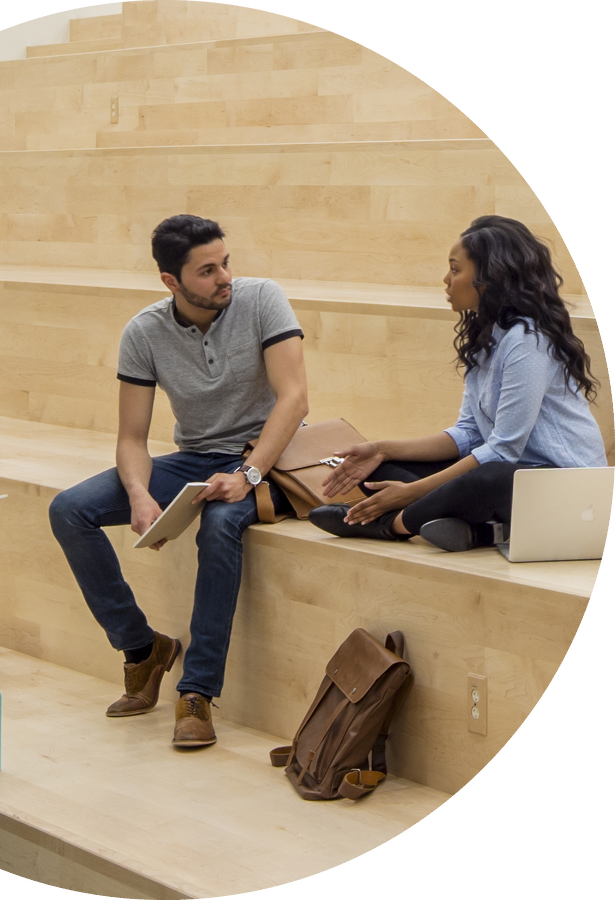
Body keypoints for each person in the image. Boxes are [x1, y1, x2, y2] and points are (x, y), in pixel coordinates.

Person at [49, 215, 308, 747]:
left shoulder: (263, 300)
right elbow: (131, 438)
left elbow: (295, 398)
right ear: (171, 281)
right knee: (70, 510)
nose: (224, 278)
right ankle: (143, 650)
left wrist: (248, 472)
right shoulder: (144, 331)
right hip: (195, 459)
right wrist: (141, 496)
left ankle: (197, 692)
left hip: (272, 456)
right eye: (207, 270)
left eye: (226, 263)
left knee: (219, 527)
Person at [309, 215, 607, 551]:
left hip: (573, 492)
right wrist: (381, 448)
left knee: (490, 477)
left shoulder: (528, 341)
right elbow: (467, 434)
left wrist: (412, 493)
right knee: (381, 470)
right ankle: (481, 531)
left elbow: (503, 449)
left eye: (455, 269)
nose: (446, 279)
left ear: (490, 277)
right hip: (521, 480)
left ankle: (392, 524)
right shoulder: (489, 335)